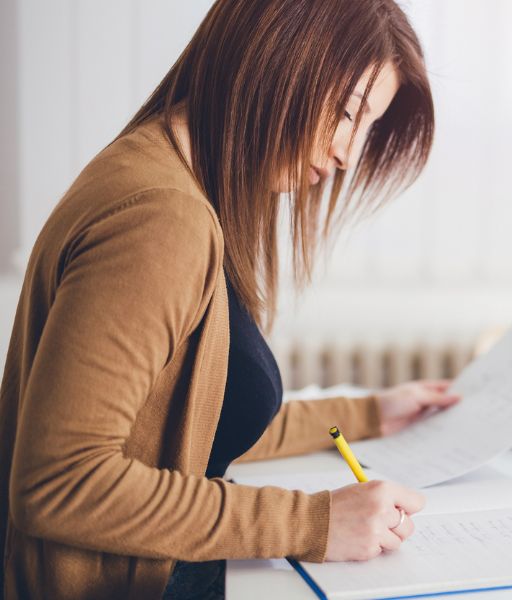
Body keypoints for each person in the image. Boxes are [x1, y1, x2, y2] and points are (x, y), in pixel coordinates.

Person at [0, 1, 456, 598]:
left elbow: (190, 426)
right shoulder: (162, 218)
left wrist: (372, 413)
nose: (348, 153)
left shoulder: (169, 174)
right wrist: (316, 523)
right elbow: (61, 485)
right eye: (348, 112)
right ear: (278, 58)